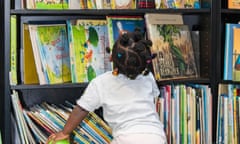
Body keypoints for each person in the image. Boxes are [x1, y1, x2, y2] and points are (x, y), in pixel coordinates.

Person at [46, 29, 166, 144]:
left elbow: (81, 109)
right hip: (156, 136)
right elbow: (154, 96)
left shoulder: (101, 83)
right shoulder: (148, 77)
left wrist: (65, 132)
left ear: (110, 58)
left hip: (126, 138)